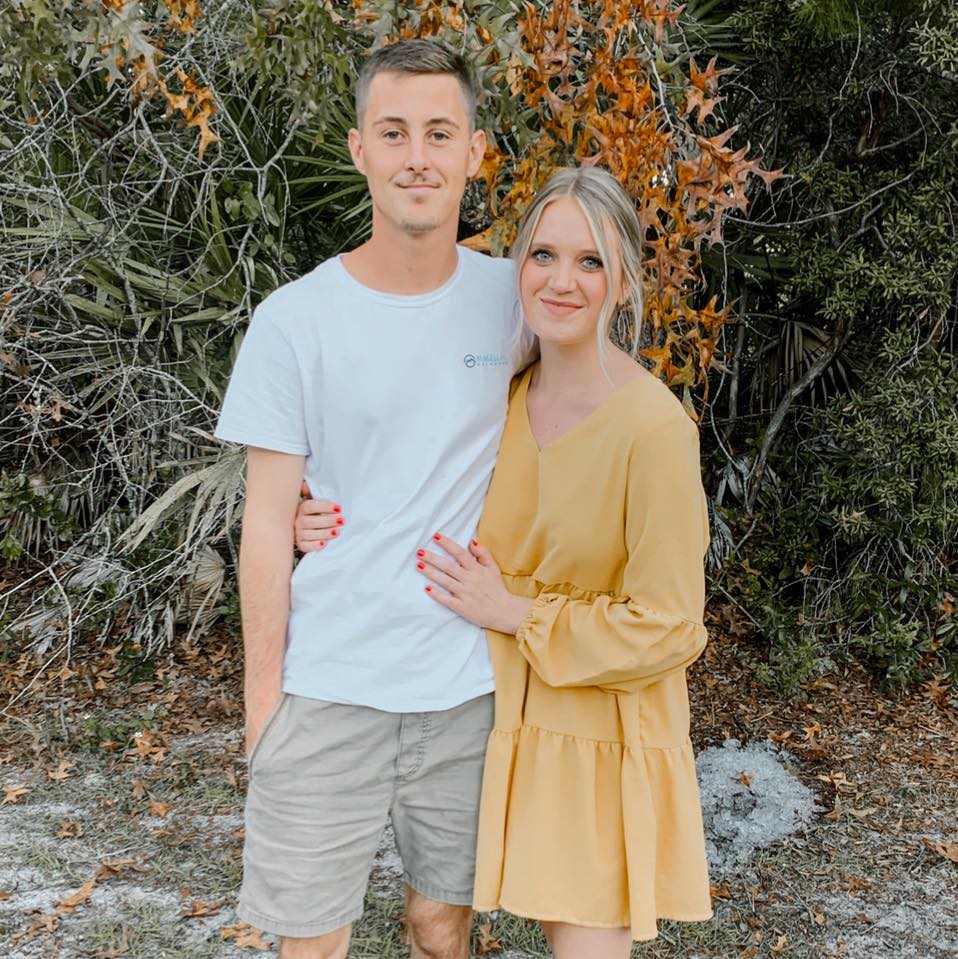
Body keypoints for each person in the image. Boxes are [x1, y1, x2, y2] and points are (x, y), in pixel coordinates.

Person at [296, 167, 714, 955]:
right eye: (544, 255)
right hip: (498, 720)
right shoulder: (504, 396)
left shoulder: (655, 431)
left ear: (623, 282)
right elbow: (412, 483)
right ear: (517, 268)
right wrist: (308, 510)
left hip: (598, 735)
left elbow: (671, 626)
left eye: (591, 261)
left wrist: (517, 611)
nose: (563, 281)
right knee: (432, 924)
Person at [215, 39, 532, 959]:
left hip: (469, 688)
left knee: (443, 928)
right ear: (360, 149)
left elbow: (587, 423)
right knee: (312, 943)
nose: (417, 156)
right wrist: (262, 703)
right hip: (329, 686)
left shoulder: (517, 298)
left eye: (440, 132)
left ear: (476, 152)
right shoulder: (294, 322)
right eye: (394, 133)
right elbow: (268, 524)